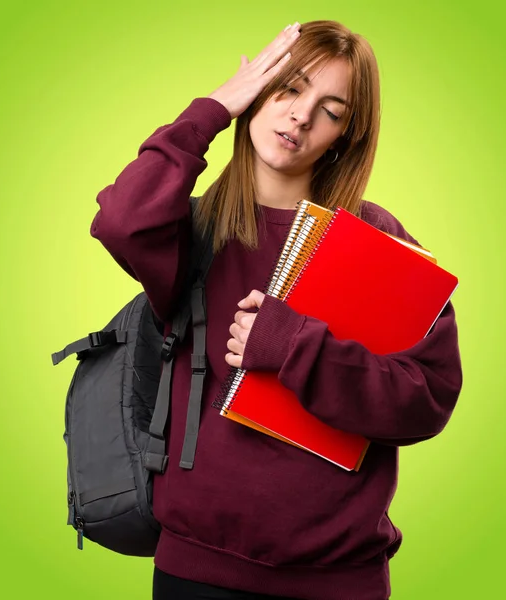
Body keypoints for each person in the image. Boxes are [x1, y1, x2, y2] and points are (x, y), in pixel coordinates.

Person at [90, 19, 462, 600]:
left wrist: (293, 347)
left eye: (331, 110)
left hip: (339, 580)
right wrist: (212, 109)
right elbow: (120, 220)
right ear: (258, 91)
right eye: (288, 87)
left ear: (343, 136)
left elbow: (428, 398)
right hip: (196, 571)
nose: (300, 116)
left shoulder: (375, 238)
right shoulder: (192, 231)